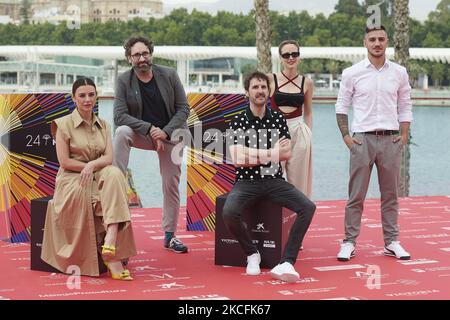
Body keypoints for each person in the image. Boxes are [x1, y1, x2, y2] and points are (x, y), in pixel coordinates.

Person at [222, 71, 316, 283]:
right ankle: (252, 253)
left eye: (264, 87)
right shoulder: (238, 121)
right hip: (246, 181)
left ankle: (287, 262)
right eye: (255, 87)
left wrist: (254, 154)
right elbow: (238, 159)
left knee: (307, 207)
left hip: (274, 180)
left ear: (269, 91)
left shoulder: (278, 119)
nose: (260, 91)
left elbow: (286, 154)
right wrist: (271, 154)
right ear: (247, 92)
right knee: (229, 211)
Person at [41, 78, 137, 280]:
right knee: (107, 197)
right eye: (82, 95)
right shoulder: (63, 124)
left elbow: (109, 158)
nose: (87, 99)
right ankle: (113, 259)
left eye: (91, 95)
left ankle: (109, 239)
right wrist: (87, 167)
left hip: (97, 173)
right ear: (74, 98)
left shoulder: (103, 125)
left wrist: (92, 165)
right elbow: (65, 161)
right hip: (72, 178)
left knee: (115, 173)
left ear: (96, 96)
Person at [335, 25, 413, 261]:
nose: (377, 43)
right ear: (365, 42)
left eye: (381, 39)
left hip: (391, 140)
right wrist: (347, 138)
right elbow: (341, 106)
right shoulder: (352, 72)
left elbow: (405, 104)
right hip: (361, 140)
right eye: (372, 39)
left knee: (390, 195)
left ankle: (392, 242)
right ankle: (349, 242)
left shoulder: (399, 72)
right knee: (355, 195)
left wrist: (405, 135)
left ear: (387, 42)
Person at [113, 36, 190, 253]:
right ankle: (116, 180)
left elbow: (183, 109)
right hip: (144, 134)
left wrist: (163, 132)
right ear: (129, 59)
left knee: (170, 184)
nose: (141, 58)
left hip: (171, 134)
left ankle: (170, 235)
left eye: (145, 53)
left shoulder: (169, 75)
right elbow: (119, 116)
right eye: (136, 55)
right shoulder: (123, 80)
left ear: (151, 54)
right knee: (121, 132)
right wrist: (149, 129)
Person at [268, 40, 314, 199]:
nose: (290, 58)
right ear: (280, 58)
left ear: (299, 57)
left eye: (294, 54)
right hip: (274, 132)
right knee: (272, 177)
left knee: (299, 181)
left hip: (298, 131)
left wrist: (309, 134)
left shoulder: (306, 82)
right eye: (286, 55)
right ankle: (272, 219)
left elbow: (308, 112)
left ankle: (299, 218)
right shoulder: (270, 80)